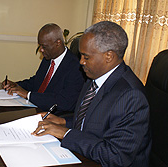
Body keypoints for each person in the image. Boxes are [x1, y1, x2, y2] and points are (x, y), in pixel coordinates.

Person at [32, 21, 151, 167]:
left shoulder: (131, 96)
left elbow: (116, 156)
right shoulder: (93, 77)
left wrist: (66, 133)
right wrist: (63, 122)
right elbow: (95, 123)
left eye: (86, 57)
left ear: (109, 56)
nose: (81, 62)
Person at [2, 23, 84, 114]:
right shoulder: (48, 58)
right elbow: (37, 82)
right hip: (35, 108)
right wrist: (16, 85)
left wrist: (28, 95)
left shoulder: (76, 67)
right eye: (40, 46)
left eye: (44, 46)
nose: (41, 50)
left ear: (58, 43)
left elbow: (65, 102)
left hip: (54, 117)